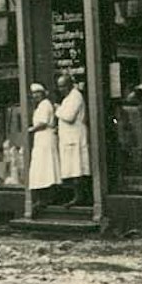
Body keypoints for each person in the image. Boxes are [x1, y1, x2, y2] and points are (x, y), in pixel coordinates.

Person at [55, 74, 91, 207]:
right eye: (59, 86)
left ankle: (80, 197)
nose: (61, 89)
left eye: (63, 86)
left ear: (70, 85)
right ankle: (76, 196)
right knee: (72, 168)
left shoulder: (76, 96)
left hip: (75, 137)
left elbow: (69, 116)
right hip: (69, 137)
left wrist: (57, 110)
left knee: (77, 168)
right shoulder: (68, 98)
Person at [25, 81, 62, 205]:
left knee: (46, 166)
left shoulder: (45, 105)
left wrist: (30, 129)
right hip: (41, 139)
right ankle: (44, 197)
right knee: (42, 167)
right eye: (34, 94)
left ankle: (47, 197)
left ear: (43, 94)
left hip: (45, 138)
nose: (35, 96)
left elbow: (42, 123)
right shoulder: (41, 106)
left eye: (38, 93)